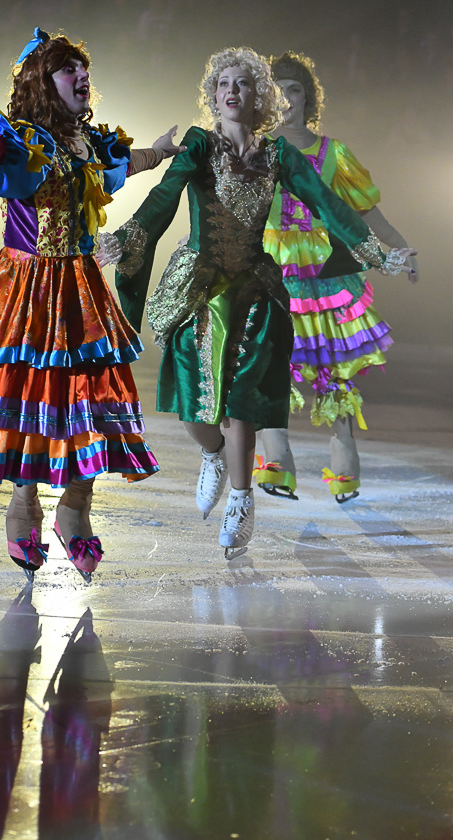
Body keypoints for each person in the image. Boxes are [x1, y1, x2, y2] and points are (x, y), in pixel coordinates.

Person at [107, 46, 414, 559]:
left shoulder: (279, 156)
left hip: (253, 286)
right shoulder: (200, 146)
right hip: (199, 284)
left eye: (243, 83)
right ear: (213, 95)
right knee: (193, 397)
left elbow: (327, 203)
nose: (232, 90)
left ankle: (243, 500)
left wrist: (374, 251)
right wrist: (132, 234)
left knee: (242, 395)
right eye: (223, 83)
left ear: (258, 98)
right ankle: (212, 456)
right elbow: (164, 197)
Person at [0, 28, 180, 581]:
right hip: (30, 287)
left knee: (93, 397)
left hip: (80, 286)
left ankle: (76, 509)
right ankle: (23, 506)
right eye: (67, 69)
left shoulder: (87, 141)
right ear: (41, 82)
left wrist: (162, 151)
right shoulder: (24, 138)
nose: (81, 76)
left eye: (83, 67)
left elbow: (124, 161)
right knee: (35, 394)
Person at [256, 52, 417, 502]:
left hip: (325, 271)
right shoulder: (256, 148)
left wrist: (398, 246)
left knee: (332, 365)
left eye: (295, 90)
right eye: (278, 90)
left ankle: (344, 452)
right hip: (270, 267)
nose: (286, 98)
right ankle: (276, 456)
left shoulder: (331, 153)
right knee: (271, 362)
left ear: (309, 99)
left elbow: (365, 213)